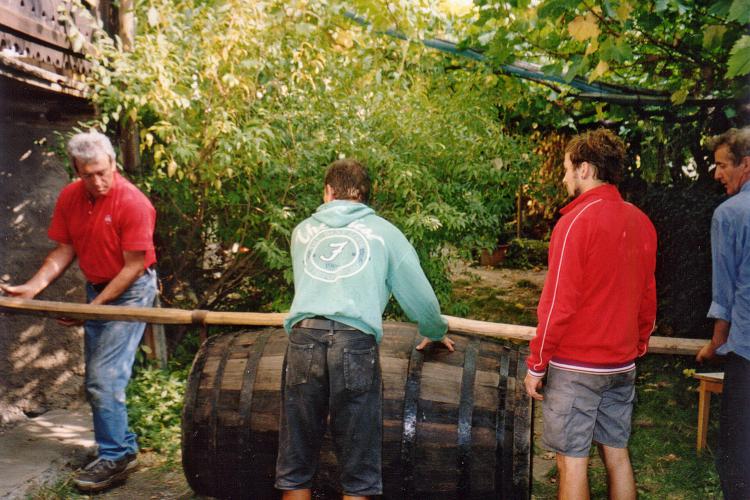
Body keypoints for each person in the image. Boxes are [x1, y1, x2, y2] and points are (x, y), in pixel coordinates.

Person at [276, 159, 454, 500]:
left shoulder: (302, 232)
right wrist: (433, 328)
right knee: (358, 465)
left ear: (328, 192)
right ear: (365, 196)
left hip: (304, 340)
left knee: (296, 460)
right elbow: (420, 298)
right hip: (353, 343)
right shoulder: (385, 233)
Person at [0, 131, 157, 492]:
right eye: (89, 175)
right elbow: (63, 250)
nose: (99, 181)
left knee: (104, 378)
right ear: (76, 170)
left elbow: (133, 267)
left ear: (113, 163)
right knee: (100, 377)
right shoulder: (71, 197)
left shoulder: (133, 202)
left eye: (104, 171)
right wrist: (32, 287)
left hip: (131, 290)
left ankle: (116, 455)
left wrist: (93, 311)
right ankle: (117, 447)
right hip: (97, 288)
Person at [524, 128, 657, 500]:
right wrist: (638, 344)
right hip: (621, 365)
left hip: (577, 367)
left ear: (585, 169)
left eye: (567, 169)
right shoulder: (641, 221)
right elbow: (648, 297)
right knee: (616, 454)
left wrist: (536, 364)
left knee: (572, 462)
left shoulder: (574, 223)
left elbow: (556, 305)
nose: (565, 177)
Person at [696, 127, 750, 499]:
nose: (716, 174)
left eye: (721, 165)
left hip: (746, 353)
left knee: (737, 456)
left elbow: (725, 291)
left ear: (746, 165)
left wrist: (715, 344)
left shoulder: (730, 214)